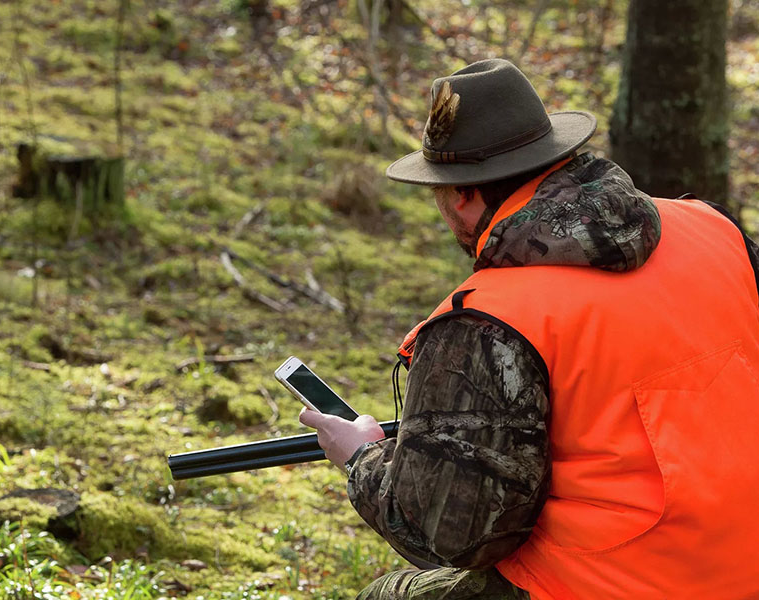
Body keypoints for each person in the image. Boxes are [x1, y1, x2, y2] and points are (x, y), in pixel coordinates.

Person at [299, 58, 759, 599]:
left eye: (439, 192)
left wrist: (361, 458)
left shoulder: (489, 320)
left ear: (464, 194)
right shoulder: (714, 229)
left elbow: (449, 533)